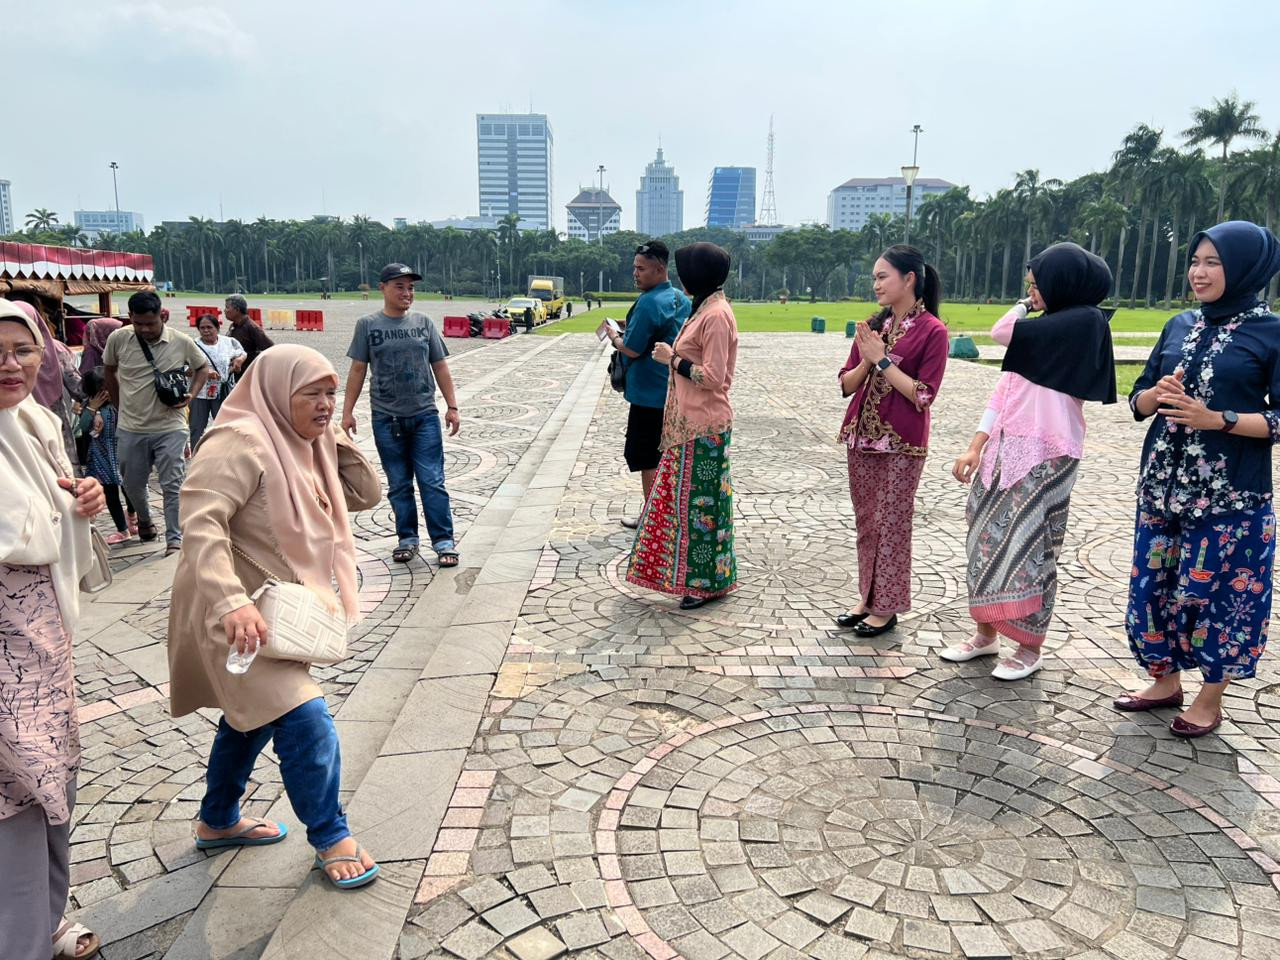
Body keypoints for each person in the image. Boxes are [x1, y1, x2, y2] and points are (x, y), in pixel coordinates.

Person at [168, 345, 384, 888]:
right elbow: (201, 527)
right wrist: (230, 602)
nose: (325, 403)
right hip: (232, 612)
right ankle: (331, 835)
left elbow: (364, 495)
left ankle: (217, 821)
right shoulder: (237, 443)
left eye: (331, 392)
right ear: (273, 390)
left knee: (251, 718)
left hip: (273, 612)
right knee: (303, 714)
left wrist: (332, 438)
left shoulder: (305, 444)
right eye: (311, 392)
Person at [1116, 221, 1280, 738]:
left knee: (1219, 598)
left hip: (1231, 496)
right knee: (1153, 589)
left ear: (1246, 268)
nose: (1199, 272)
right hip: (1162, 487)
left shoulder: (1271, 333)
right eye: (1195, 261)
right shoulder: (1179, 324)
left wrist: (1219, 419)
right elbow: (1138, 399)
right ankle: (1163, 681)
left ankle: (1211, 699)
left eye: (1214, 262)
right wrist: (1156, 395)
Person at [943, 243, 1116, 679]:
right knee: (984, 543)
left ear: (1061, 283)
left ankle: (1029, 646)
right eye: (1029, 287)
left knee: (1032, 549)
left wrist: (1020, 306)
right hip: (1003, 451)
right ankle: (985, 635)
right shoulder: (1043, 332)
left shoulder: (1084, 321)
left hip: (1047, 454)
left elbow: (1000, 331)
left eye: (1036, 285)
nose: (1030, 293)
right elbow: (1004, 390)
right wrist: (975, 444)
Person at [0, 298, 108, 960]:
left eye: (21, 350)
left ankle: (47, 916)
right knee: (16, 792)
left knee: (55, 782)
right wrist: (55, 512)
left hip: (45, 640)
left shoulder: (35, 420)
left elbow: (55, 512)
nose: (8, 366)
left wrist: (84, 500)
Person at [834, 245, 949, 638]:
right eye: (874, 278)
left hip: (902, 443)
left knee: (893, 523)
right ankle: (866, 598)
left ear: (909, 279)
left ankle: (887, 607)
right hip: (861, 437)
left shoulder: (934, 331)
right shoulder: (872, 325)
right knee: (867, 522)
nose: (876, 284)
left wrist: (883, 360)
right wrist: (868, 359)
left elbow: (923, 395)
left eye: (883, 276)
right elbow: (846, 385)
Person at [626, 242, 738, 611]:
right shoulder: (703, 307)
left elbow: (715, 377)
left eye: (687, 270)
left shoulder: (716, 315)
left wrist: (671, 359)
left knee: (702, 510)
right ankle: (699, 579)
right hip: (687, 425)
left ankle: (705, 584)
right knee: (687, 507)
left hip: (703, 427)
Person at [342, 263, 461, 567]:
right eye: (400, 287)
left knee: (432, 480)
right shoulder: (368, 325)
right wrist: (348, 413)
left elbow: (440, 366)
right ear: (382, 288)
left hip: (424, 416)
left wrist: (452, 406)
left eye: (411, 288)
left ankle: (443, 540)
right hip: (386, 418)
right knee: (399, 483)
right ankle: (406, 538)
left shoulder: (424, 323)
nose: (407, 293)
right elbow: (358, 369)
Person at [103, 290, 209, 555]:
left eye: (150, 323)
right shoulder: (118, 339)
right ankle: (145, 518)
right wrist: (119, 407)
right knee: (132, 485)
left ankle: (174, 538)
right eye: (138, 323)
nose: (145, 329)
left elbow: (202, 368)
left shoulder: (181, 341)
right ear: (130, 318)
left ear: (161, 316)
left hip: (170, 426)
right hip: (131, 427)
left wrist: (191, 395)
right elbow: (108, 369)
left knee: (172, 483)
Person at [605, 241, 691, 528]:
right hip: (675, 390)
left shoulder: (649, 302)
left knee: (647, 459)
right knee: (668, 457)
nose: (636, 274)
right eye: (634, 268)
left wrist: (614, 336)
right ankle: (668, 514)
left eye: (641, 268)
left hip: (648, 396)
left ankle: (653, 519)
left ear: (659, 269)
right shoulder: (681, 299)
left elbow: (631, 348)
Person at [79, 367, 137, 545]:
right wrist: (91, 409)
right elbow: (83, 427)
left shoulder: (121, 403)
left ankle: (133, 518)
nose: (106, 393)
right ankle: (122, 529)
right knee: (111, 495)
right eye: (101, 390)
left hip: (124, 453)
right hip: (102, 458)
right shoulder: (89, 406)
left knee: (131, 491)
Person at [189, 313, 247, 449]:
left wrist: (238, 361)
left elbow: (242, 352)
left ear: (217, 328)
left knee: (225, 425)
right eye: (202, 328)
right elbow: (185, 369)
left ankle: (225, 453)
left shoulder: (228, 342)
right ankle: (197, 455)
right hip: (200, 393)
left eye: (209, 327)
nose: (206, 331)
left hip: (222, 391)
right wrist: (205, 373)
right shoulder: (192, 345)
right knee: (196, 427)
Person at [223, 295, 273, 370]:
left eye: (227, 307)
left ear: (237, 310)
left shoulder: (252, 328)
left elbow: (271, 349)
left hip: (247, 373)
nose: (224, 310)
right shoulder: (234, 325)